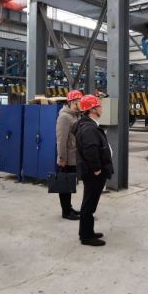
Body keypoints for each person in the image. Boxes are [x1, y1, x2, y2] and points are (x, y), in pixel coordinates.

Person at [74, 94, 113, 246]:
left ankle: (87, 232)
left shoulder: (89, 125)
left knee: (89, 204)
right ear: (92, 109)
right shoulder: (89, 128)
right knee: (89, 205)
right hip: (93, 173)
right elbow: (91, 150)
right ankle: (86, 237)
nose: (101, 108)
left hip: (91, 172)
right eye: (99, 106)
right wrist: (97, 169)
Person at [55, 89, 82, 220]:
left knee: (70, 183)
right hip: (67, 158)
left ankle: (69, 207)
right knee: (65, 184)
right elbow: (61, 140)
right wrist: (62, 158)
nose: (80, 104)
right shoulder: (64, 117)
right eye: (78, 101)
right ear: (71, 102)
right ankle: (65, 212)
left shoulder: (76, 116)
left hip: (74, 157)